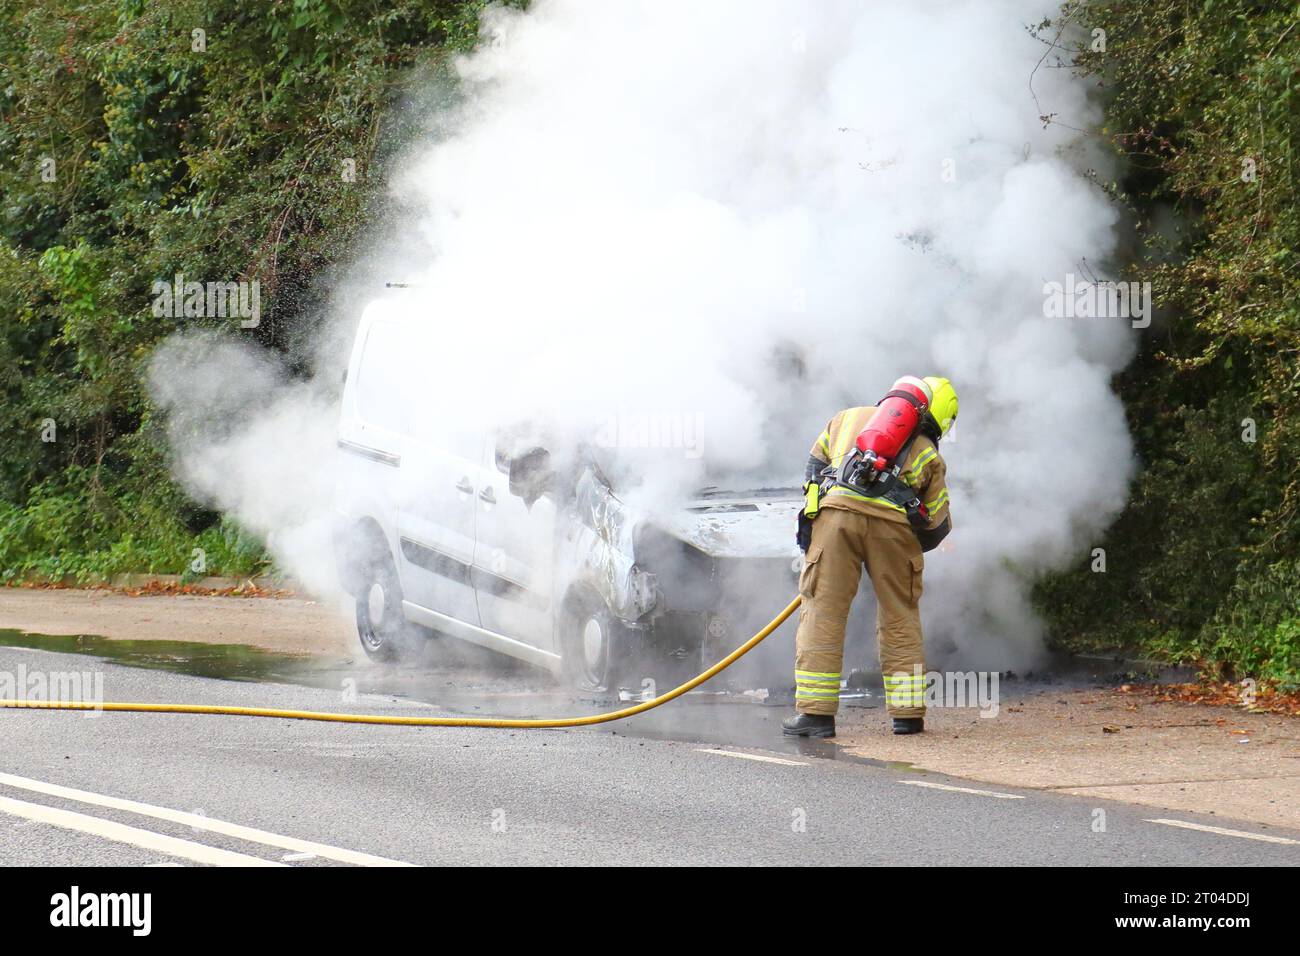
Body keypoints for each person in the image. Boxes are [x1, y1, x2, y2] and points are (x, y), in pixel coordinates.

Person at [782, 376, 957, 738]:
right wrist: (904, 550)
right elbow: (938, 523)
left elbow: (813, 472)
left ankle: (816, 717)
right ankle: (907, 717)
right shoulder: (928, 451)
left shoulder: (844, 419)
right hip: (894, 531)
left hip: (835, 521)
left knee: (823, 611)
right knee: (900, 614)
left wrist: (815, 521)